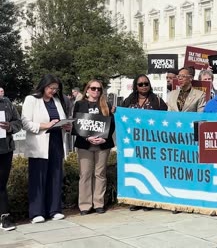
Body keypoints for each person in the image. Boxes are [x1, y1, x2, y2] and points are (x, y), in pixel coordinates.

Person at [21, 74, 70, 224]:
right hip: (39, 144)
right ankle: (36, 212)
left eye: (56, 89)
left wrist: (66, 126)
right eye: (51, 88)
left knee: (55, 176)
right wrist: (46, 125)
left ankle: (54, 210)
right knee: (38, 178)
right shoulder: (31, 100)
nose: (54, 91)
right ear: (44, 86)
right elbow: (26, 123)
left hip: (56, 142)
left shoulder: (56, 101)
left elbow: (60, 119)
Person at [121, 74, 167, 211]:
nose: (143, 86)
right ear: (136, 86)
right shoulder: (128, 101)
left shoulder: (157, 101)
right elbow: (121, 117)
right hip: (133, 142)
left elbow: (165, 120)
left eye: (146, 83)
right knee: (134, 171)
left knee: (151, 171)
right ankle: (136, 200)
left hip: (151, 142)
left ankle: (149, 201)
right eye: (140, 84)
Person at [73, 80, 115, 216]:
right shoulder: (79, 104)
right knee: (85, 174)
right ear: (87, 89)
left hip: (103, 144)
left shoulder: (106, 105)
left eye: (99, 89)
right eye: (93, 88)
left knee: (100, 174)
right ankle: (85, 205)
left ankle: (99, 203)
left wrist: (104, 138)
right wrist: (87, 137)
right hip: (85, 144)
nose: (96, 91)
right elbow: (76, 124)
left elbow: (111, 125)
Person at [0, 91, 22, 231]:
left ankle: (4, 216)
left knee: (1, 185)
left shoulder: (7, 103)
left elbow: (18, 122)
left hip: (5, 150)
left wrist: (10, 127)